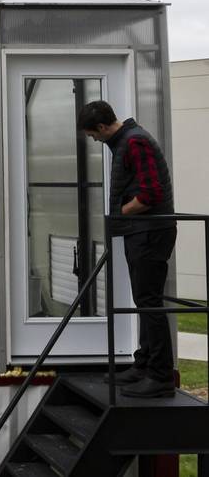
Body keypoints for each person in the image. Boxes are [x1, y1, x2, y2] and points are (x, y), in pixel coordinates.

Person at [78, 101, 176, 398]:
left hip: (150, 233)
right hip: (142, 233)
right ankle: (144, 364)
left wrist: (120, 212)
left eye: (93, 134)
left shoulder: (135, 142)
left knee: (149, 302)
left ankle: (160, 376)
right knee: (145, 301)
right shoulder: (127, 141)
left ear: (103, 127)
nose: (94, 139)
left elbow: (150, 194)